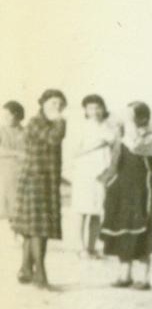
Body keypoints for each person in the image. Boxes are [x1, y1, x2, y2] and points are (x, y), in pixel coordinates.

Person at [11, 89, 68, 288]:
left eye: (60, 104)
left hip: (46, 180)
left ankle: (26, 269)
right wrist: (61, 121)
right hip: (36, 180)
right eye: (53, 103)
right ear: (42, 103)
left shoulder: (50, 123)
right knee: (38, 229)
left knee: (32, 228)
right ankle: (40, 275)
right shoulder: (37, 123)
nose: (57, 107)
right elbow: (53, 139)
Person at [101, 101, 152, 288]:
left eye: (132, 116)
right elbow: (115, 161)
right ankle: (125, 274)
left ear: (143, 118)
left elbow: (136, 146)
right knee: (122, 227)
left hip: (141, 189)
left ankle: (145, 277)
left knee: (142, 228)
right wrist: (108, 182)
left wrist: (127, 128)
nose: (129, 120)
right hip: (122, 188)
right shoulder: (122, 138)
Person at [71, 93, 119, 257]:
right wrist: (99, 143)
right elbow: (75, 151)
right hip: (84, 172)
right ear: (85, 110)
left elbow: (115, 147)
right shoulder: (81, 127)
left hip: (102, 171)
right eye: (91, 108)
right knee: (82, 210)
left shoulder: (109, 126)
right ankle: (80, 247)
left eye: (98, 107)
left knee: (97, 210)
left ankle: (91, 247)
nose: (95, 111)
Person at [0, 100, 26, 229]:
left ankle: (17, 231)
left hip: (22, 171)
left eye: (8, 115)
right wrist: (16, 153)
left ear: (17, 115)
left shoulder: (25, 131)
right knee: (6, 201)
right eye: (4, 115)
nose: (6, 118)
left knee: (20, 202)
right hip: (5, 171)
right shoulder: (1, 130)